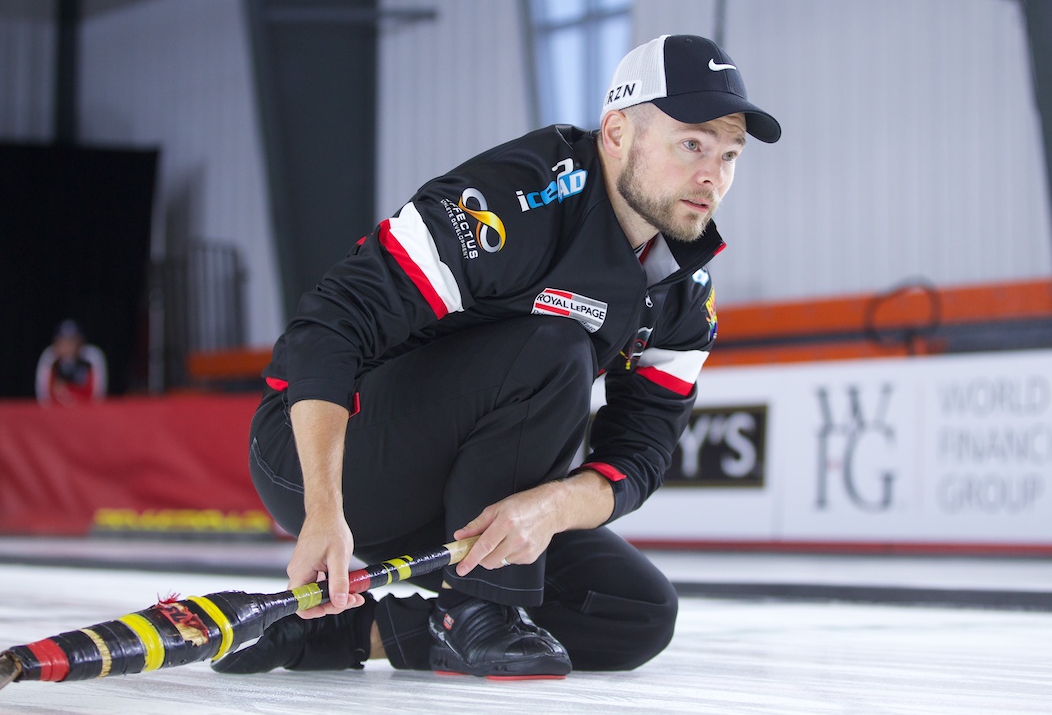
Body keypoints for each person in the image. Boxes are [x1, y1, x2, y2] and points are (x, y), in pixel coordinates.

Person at [215, 34, 780, 679]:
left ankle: (346, 635)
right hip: (329, 461)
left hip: (463, 496)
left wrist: (548, 508)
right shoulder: (521, 196)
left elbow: (641, 453)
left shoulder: (685, 287)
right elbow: (330, 324)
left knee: (633, 611)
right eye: (692, 145)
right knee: (556, 342)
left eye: (729, 155)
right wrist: (323, 508)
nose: (713, 175)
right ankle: (480, 609)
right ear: (619, 132)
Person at [35, 319, 107, 406]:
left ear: (81, 342)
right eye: (63, 341)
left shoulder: (91, 358)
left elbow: (97, 397)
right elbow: (44, 399)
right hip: (56, 414)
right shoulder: (50, 358)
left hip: (85, 412)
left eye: (72, 342)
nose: (67, 347)